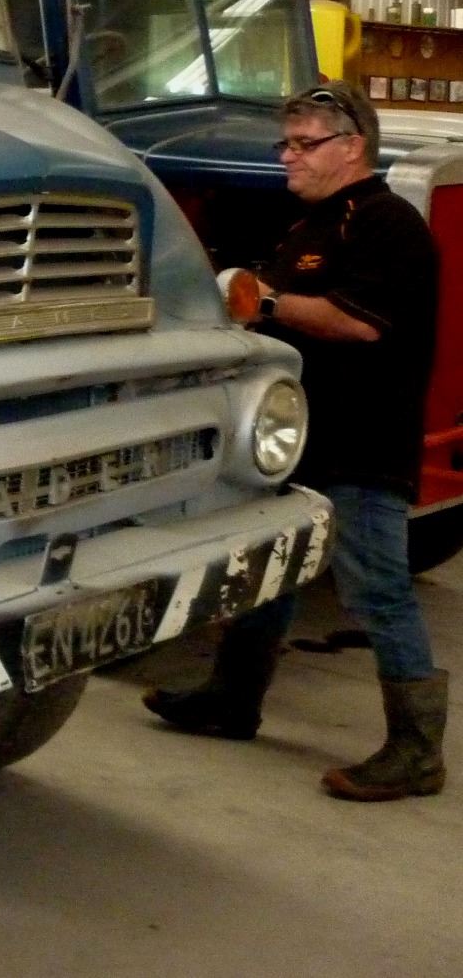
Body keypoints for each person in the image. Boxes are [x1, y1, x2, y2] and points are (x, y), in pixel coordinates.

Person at [143, 83, 447, 801]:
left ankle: (417, 749)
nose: (288, 156)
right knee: (269, 567)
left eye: (304, 144)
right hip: (294, 439)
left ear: (353, 147)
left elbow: (361, 322)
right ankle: (231, 699)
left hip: (360, 445)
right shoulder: (306, 226)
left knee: (378, 591)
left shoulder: (386, 223)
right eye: (286, 143)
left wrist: (268, 301)